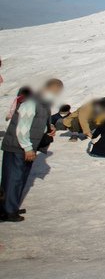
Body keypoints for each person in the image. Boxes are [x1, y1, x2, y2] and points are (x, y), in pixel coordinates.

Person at [1, 82, 60, 221]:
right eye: (55, 90)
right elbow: (22, 128)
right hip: (18, 146)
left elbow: (38, 123)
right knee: (13, 179)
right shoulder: (31, 103)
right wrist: (28, 148)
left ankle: (11, 206)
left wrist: (49, 128)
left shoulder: (44, 104)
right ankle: (8, 210)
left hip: (26, 147)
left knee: (20, 178)